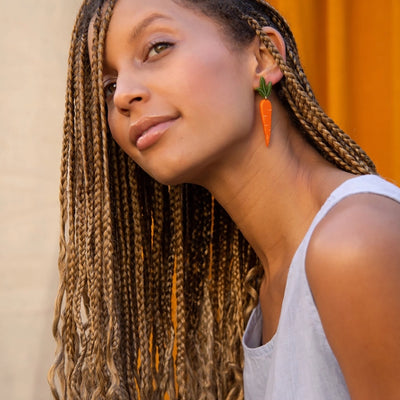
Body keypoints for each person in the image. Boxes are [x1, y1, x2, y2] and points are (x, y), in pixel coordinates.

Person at [48, 0, 400, 399]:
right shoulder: (269, 289)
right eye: (109, 85)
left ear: (262, 59)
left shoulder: (354, 244)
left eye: (157, 47)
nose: (123, 96)